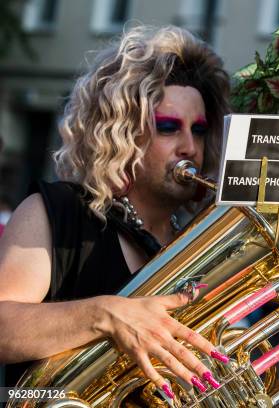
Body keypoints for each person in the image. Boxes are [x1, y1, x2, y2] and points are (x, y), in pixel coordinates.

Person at [0, 25, 230, 401]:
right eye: (168, 127)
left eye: (200, 130)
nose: (190, 146)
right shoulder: (58, 211)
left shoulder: (199, 246)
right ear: (121, 131)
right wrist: (107, 315)